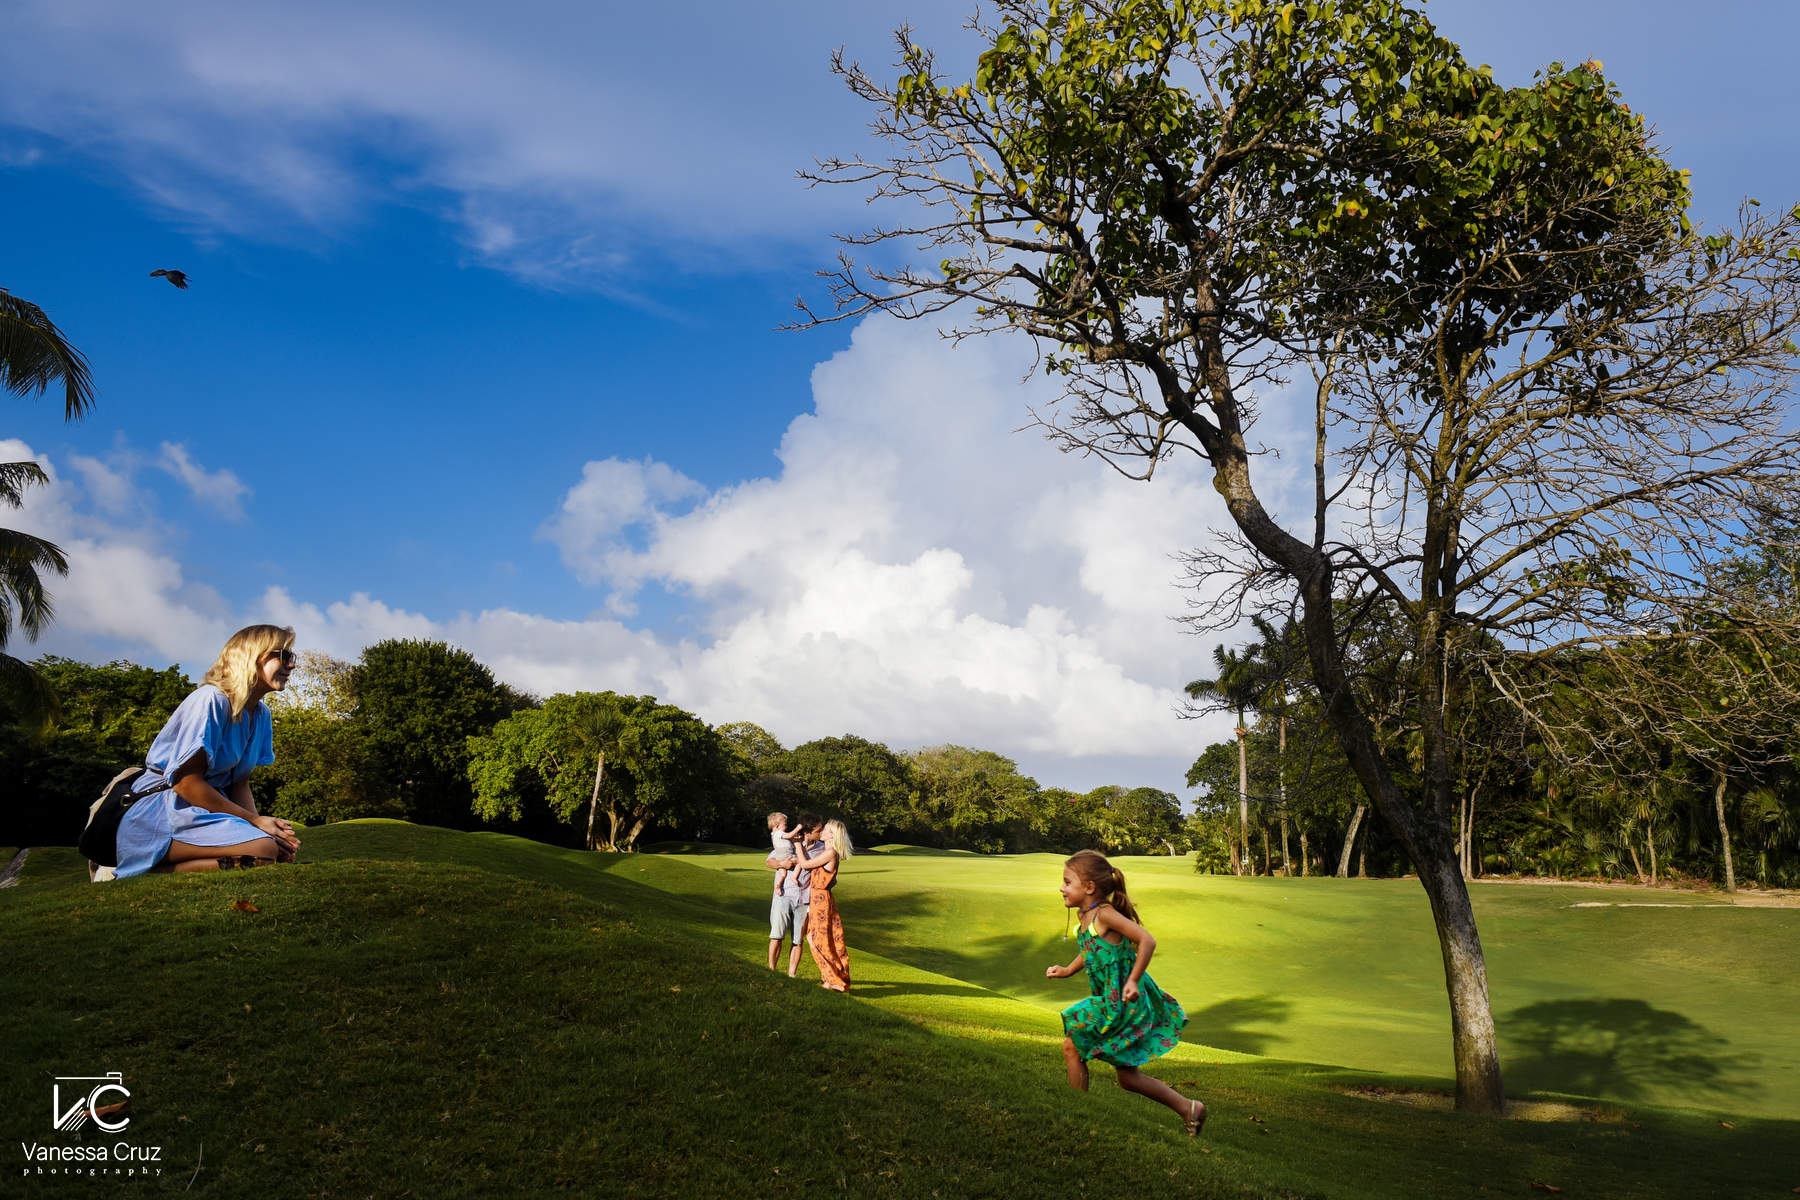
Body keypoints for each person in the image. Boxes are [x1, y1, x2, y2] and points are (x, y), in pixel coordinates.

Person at [102, 624, 303, 879]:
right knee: (264, 849)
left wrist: (264, 825)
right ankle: (144, 872)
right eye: (283, 656)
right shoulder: (211, 700)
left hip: (203, 812)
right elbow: (185, 783)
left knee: (276, 848)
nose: (291, 665)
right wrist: (254, 824)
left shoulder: (261, 715)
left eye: (292, 657)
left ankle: (167, 868)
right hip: (162, 811)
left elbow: (239, 784)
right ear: (252, 656)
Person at [1046, 849, 1204, 1136]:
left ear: (1089, 887)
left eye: (1068, 882)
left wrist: (1133, 980)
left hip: (1125, 1001)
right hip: (1112, 1001)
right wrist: (1068, 969)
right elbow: (1091, 951)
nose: (1061, 887)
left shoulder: (1105, 914)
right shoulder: (1086, 915)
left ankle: (1077, 1113)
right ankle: (1189, 1108)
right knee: (1128, 1078)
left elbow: (1147, 940)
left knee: (1073, 1045)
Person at [791, 817, 854, 992]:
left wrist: (797, 845)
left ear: (832, 835)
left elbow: (804, 864)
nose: (822, 831)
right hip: (820, 898)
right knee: (823, 939)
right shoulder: (829, 852)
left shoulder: (830, 852)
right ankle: (829, 979)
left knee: (817, 939)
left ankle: (834, 981)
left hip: (821, 901)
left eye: (825, 829)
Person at [765, 812, 821, 976]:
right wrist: (782, 863)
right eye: (817, 830)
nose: (820, 833)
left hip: (804, 899)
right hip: (783, 894)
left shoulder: (821, 849)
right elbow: (769, 861)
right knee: (776, 936)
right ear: (807, 831)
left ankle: (792, 975)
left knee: (798, 940)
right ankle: (771, 971)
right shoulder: (788, 842)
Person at [767, 811, 804, 896]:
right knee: (800, 862)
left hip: (780, 858)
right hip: (788, 856)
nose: (786, 826)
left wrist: (795, 837)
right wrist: (798, 828)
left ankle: (778, 886)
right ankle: (794, 877)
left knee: (783, 874)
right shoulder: (779, 833)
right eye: (785, 824)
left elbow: (789, 838)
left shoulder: (774, 835)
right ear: (777, 826)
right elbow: (790, 835)